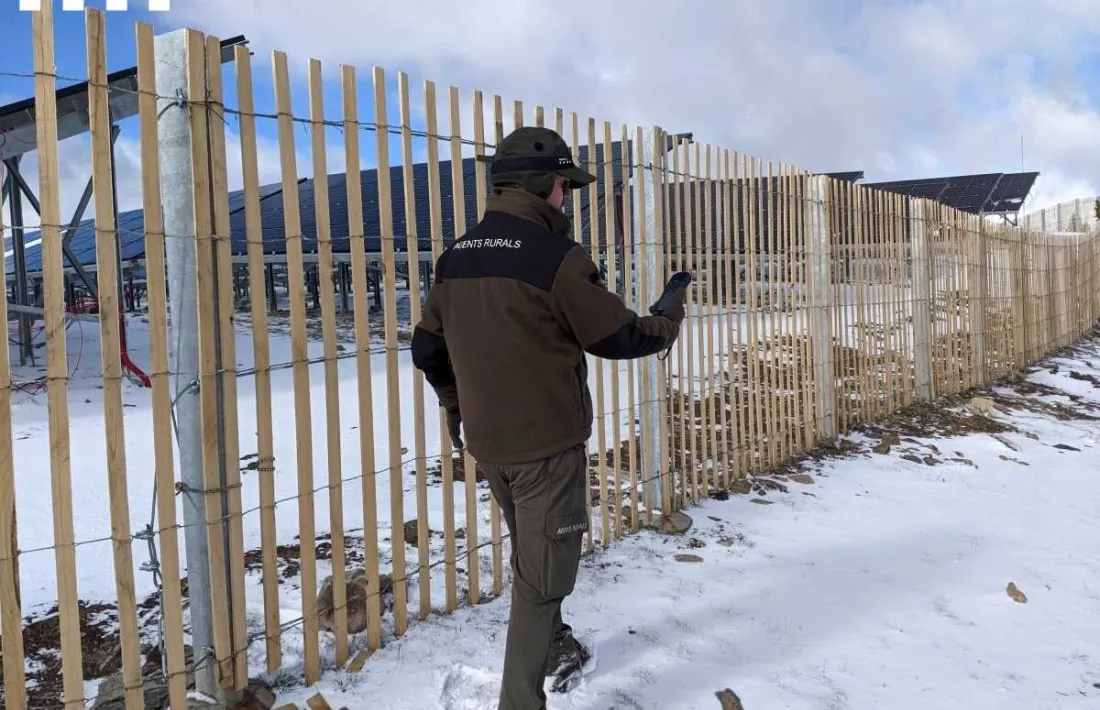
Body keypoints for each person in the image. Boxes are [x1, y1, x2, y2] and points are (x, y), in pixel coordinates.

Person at [410, 125, 687, 710]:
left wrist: (458, 408)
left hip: (489, 446)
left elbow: (428, 349)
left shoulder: (455, 257)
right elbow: (615, 334)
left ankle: (555, 643)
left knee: (534, 552)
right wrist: (667, 316)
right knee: (542, 581)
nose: (569, 198)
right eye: (566, 186)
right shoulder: (557, 257)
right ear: (544, 186)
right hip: (547, 450)